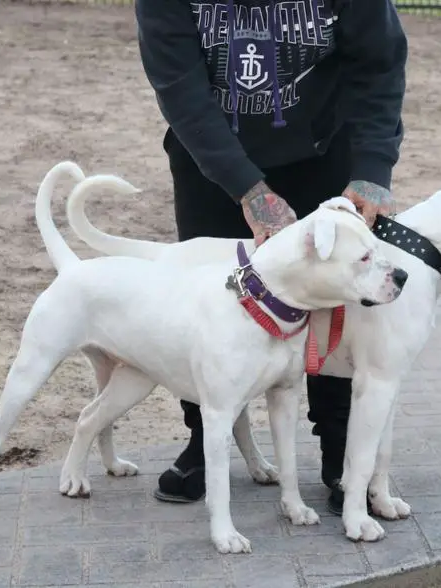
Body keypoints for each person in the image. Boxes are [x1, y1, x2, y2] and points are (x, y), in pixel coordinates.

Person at [135, 0, 407, 515]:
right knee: (213, 299)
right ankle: (203, 439)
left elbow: (379, 60)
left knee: (335, 295)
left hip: (324, 148)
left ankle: (338, 451)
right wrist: (247, 189)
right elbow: (180, 87)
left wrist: (373, 163)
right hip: (210, 158)